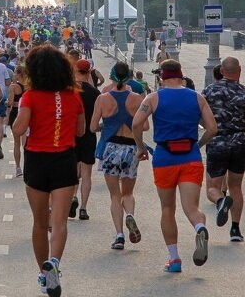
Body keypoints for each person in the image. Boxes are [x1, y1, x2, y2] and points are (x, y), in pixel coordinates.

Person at [12, 45, 85, 297]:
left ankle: (44, 276)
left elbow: (18, 129)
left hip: (37, 160)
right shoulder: (74, 96)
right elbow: (80, 131)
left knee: (40, 223)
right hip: (64, 159)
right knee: (60, 222)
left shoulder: (30, 97)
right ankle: (54, 262)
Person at [133, 59, 217, 273]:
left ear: (162, 77)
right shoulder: (197, 97)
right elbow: (212, 128)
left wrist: (140, 147)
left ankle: (174, 259)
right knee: (192, 208)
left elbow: (136, 123)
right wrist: (198, 145)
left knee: (167, 209)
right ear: (181, 75)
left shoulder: (153, 98)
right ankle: (200, 227)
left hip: (165, 158)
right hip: (191, 157)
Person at [201, 56, 245, 241]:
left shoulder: (208, 91)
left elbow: (198, 115)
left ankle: (220, 201)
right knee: (235, 186)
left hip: (217, 142)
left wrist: (207, 128)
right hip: (239, 143)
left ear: (222, 71)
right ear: (239, 70)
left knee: (212, 188)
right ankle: (235, 230)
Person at [91, 62, 146, 250]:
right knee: (127, 193)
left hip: (111, 147)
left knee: (115, 195)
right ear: (129, 77)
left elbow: (92, 127)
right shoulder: (137, 98)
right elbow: (145, 126)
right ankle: (130, 214)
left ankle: (120, 235)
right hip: (131, 148)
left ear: (112, 76)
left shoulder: (103, 99)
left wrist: (107, 125)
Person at [72, 59, 100, 221]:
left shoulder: (70, 91)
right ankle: (83, 208)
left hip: (72, 135)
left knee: (72, 171)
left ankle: (73, 197)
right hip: (89, 135)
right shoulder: (95, 93)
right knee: (87, 174)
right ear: (89, 72)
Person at [6, 64, 27, 176]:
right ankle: (27, 165)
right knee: (26, 142)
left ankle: (18, 168)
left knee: (16, 142)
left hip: (15, 113)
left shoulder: (13, 87)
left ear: (18, 74)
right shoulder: (30, 86)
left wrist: (6, 103)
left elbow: (10, 102)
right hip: (26, 113)